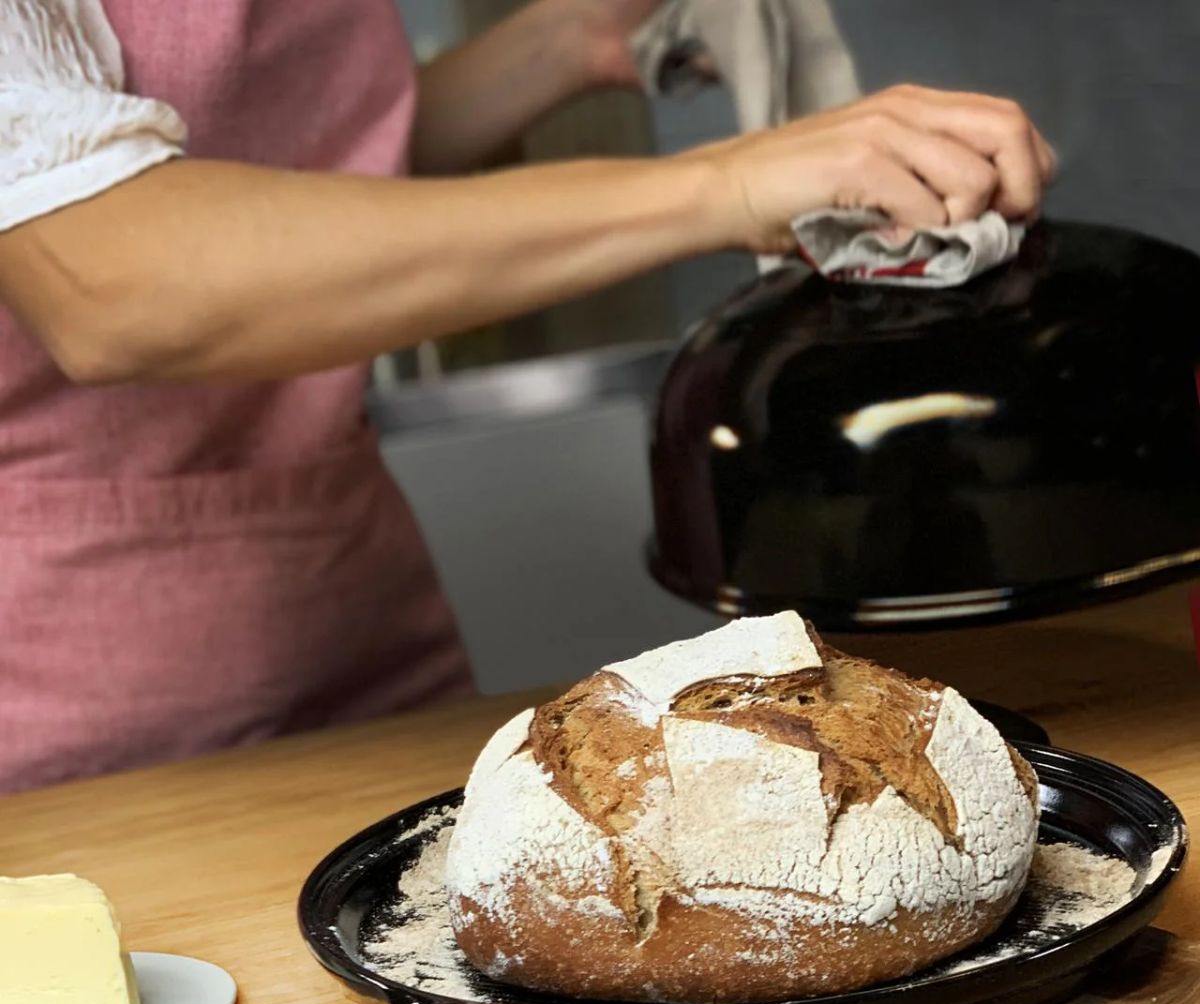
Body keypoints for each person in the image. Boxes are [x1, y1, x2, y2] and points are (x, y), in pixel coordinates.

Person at [0, 0, 1053, 796]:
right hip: (70, 731)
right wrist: (720, 185)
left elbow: (290, 189)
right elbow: (109, 278)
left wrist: (563, 39)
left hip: (352, 610)